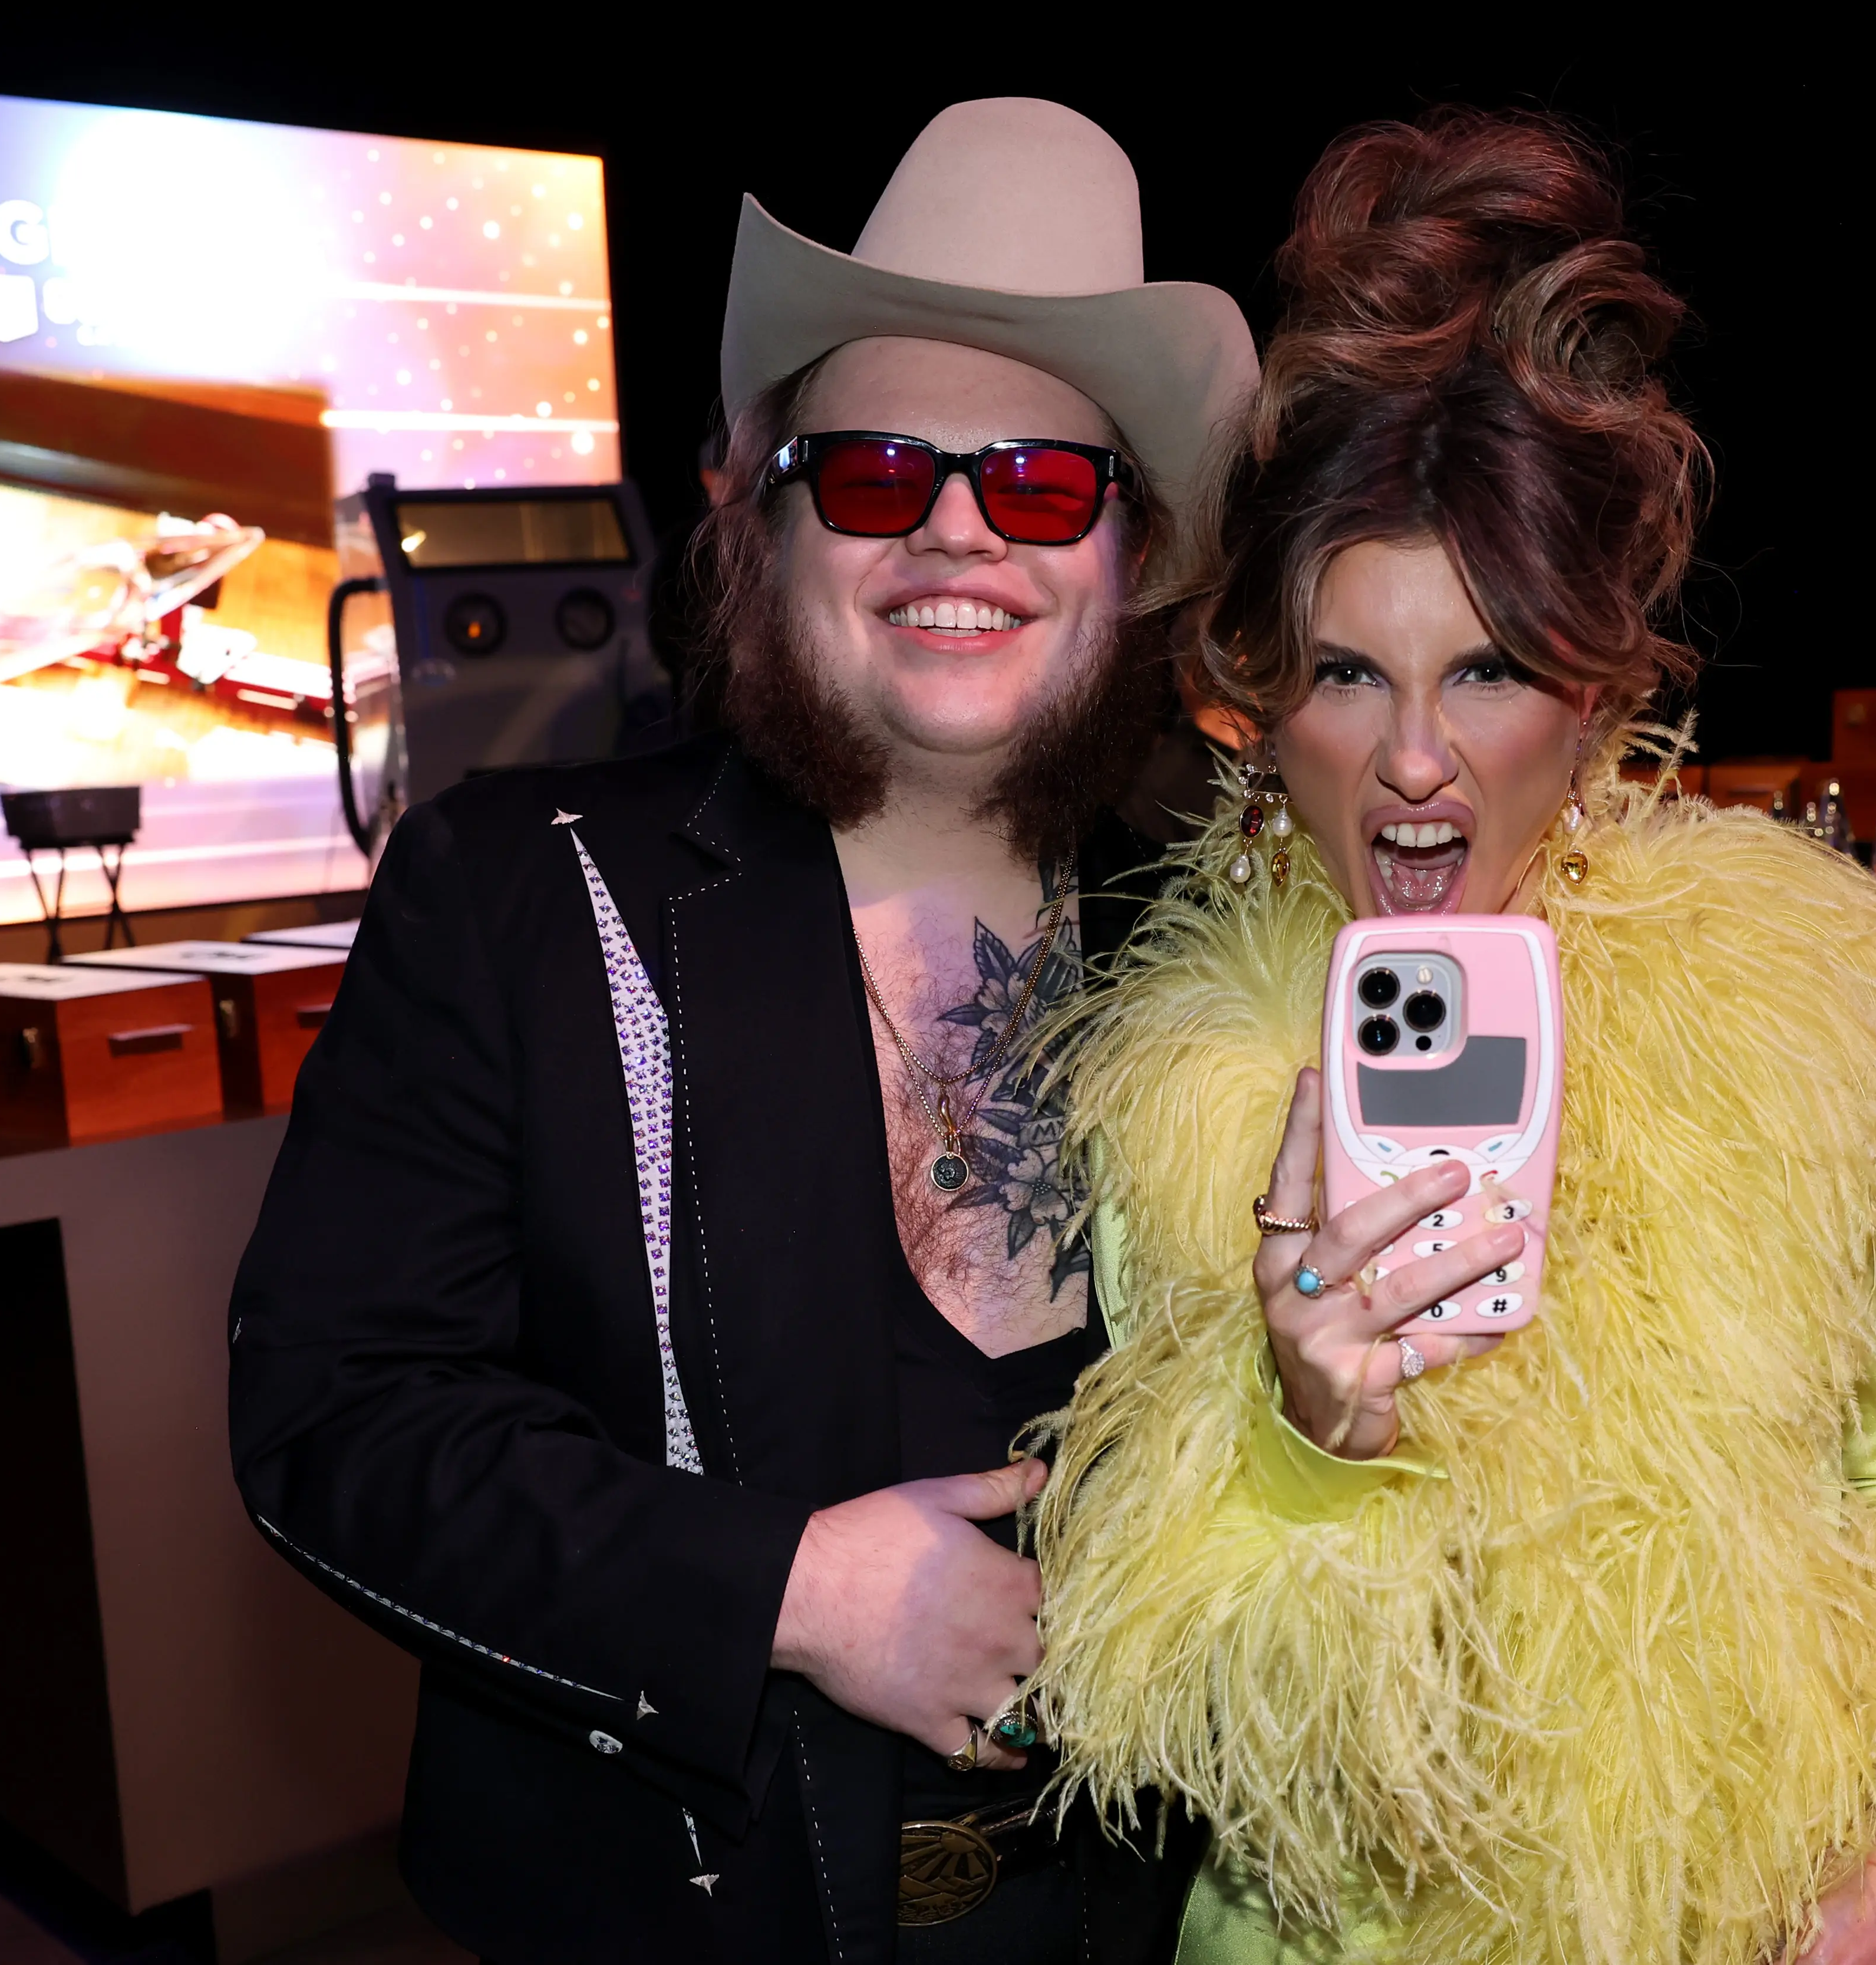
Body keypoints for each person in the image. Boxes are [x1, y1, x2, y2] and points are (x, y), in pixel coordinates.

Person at [1025, 113, 1876, 1965]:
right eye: (1349, 672)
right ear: (1263, 705)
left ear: (1594, 688)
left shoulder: (1790, 1006)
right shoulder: (1183, 1097)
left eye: (1488, 668)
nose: (1415, 756)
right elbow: (1241, 1746)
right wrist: (1317, 1440)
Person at [227, 100, 1255, 1964]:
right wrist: (790, 1588)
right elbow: (339, 1412)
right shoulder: (520, 893)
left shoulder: (1215, 931)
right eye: (876, 471)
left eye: (1041, 481)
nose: (957, 529)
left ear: (1129, 551)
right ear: (763, 518)